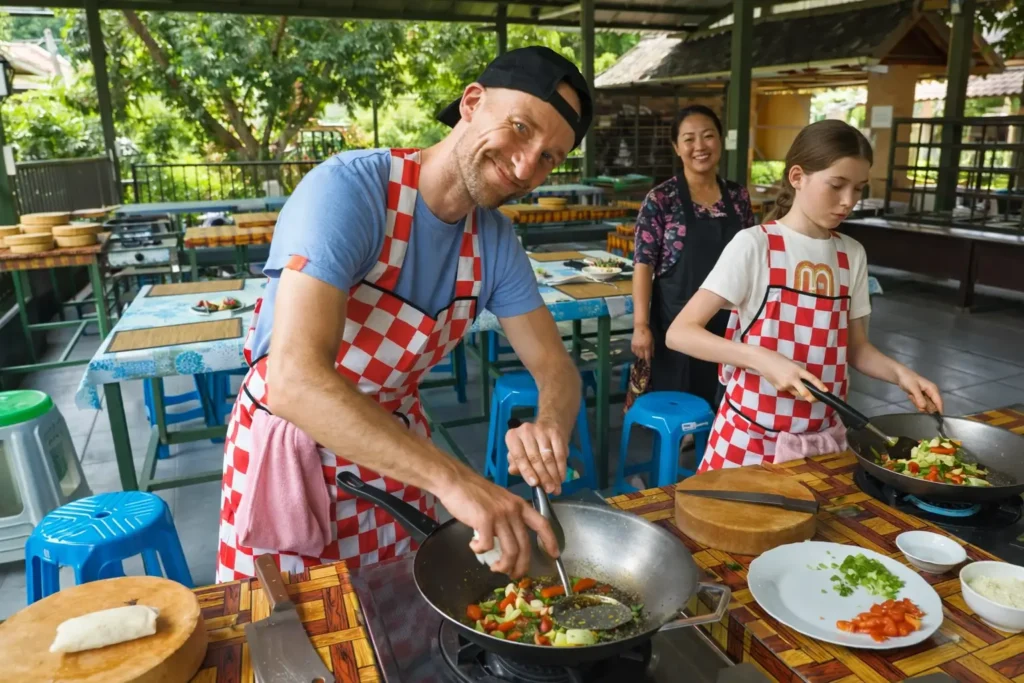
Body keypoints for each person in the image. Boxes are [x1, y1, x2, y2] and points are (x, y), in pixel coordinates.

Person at [216, 46, 594, 582]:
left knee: (391, 621)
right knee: (291, 645)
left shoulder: (495, 242)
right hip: (290, 456)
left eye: (551, 157)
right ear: (472, 102)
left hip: (394, 455)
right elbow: (294, 381)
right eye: (520, 127)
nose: (527, 165)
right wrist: (458, 481)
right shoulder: (350, 191)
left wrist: (548, 425)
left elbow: (556, 368)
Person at [666, 120, 943, 471]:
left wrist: (902, 374)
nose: (848, 202)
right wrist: (762, 359)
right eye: (837, 186)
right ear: (797, 177)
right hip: (750, 440)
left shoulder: (851, 254)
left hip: (824, 439)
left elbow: (855, 348)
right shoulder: (756, 244)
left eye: (858, 189)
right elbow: (681, 333)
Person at [628, 105, 755, 413]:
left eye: (708, 136)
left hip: (730, 320)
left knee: (727, 400)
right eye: (689, 139)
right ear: (677, 147)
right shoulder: (661, 199)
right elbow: (643, 264)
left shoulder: (738, 197)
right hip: (677, 318)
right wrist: (640, 325)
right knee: (683, 405)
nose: (700, 146)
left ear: (720, 141)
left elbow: (754, 255)